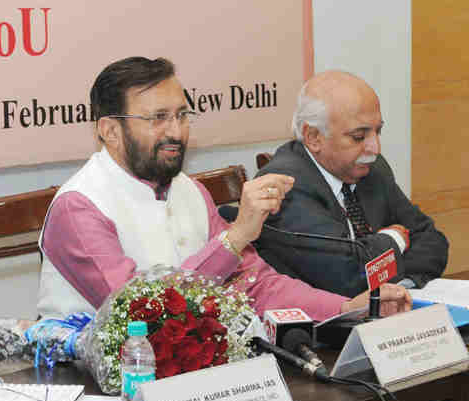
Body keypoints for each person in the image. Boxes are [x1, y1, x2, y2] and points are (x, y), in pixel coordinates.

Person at [36, 57, 411, 322]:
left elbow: (256, 285)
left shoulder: (190, 191)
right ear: (109, 130)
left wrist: (345, 308)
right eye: (158, 118)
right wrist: (233, 240)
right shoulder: (79, 206)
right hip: (92, 396)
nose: (176, 131)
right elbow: (140, 314)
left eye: (182, 115)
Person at [255, 70, 448, 297]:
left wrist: (397, 285)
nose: (374, 148)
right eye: (359, 137)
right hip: (321, 325)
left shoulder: (372, 168)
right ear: (314, 137)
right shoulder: (285, 185)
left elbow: (433, 241)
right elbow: (347, 276)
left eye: (378, 131)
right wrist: (394, 240)